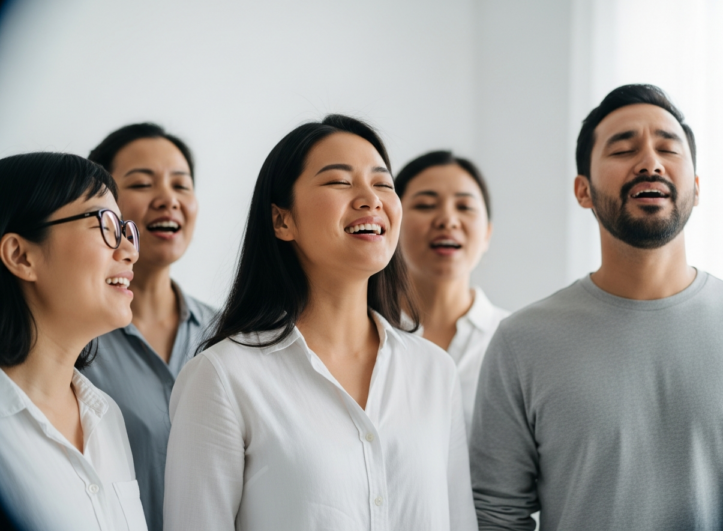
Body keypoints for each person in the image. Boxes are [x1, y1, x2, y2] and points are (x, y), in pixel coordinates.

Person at [470, 84, 723, 530]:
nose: (649, 162)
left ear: (697, 187)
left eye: (668, 148)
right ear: (583, 190)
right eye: (623, 149)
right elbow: (495, 514)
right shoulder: (522, 341)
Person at [164, 115, 478, 531]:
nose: (372, 199)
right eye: (340, 182)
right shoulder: (222, 376)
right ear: (282, 221)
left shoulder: (434, 371)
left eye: (383, 183)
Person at [0, 153, 146, 531]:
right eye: (106, 225)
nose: (129, 250)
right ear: (21, 255)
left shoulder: (106, 416)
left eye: (126, 229)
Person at [82, 123, 216, 531]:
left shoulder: (231, 333)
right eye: (142, 183)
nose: (168, 200)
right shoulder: (72, 337)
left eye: (182, 185)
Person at [395, 151, 509, 431]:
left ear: (487, 234)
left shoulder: (515, 342)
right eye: (425, 205)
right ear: (391, 224)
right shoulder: (362, 336)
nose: (447, 220)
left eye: (465, 207)